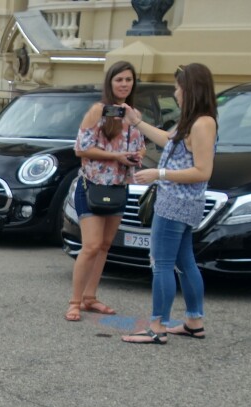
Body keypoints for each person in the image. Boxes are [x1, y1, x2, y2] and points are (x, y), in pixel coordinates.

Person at [121, 63, 217, 344]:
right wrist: (137, 121)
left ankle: (157, 327)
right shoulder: (194, 120)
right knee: (185, 261)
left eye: (178, 87)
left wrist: (158, 173)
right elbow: (168, 140)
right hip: (182, 202)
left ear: (191, 89)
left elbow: (203, 170)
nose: (175, 92)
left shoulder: (202, 123)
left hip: (176, 203)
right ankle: (193, 322)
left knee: (161, 264)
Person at [66, 61, 145, 322]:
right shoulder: (98, 111)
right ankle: (75, 301)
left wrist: (136, 156)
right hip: (92, 187)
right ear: (110, 83)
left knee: (104, 245)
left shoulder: (134, 115)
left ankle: (91, 298)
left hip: (119, 188)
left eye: (128, 80)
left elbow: (141, 147)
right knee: (90, 245)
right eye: (119, 79)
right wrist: (117, 156)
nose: (124, 84)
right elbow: (81, 148)